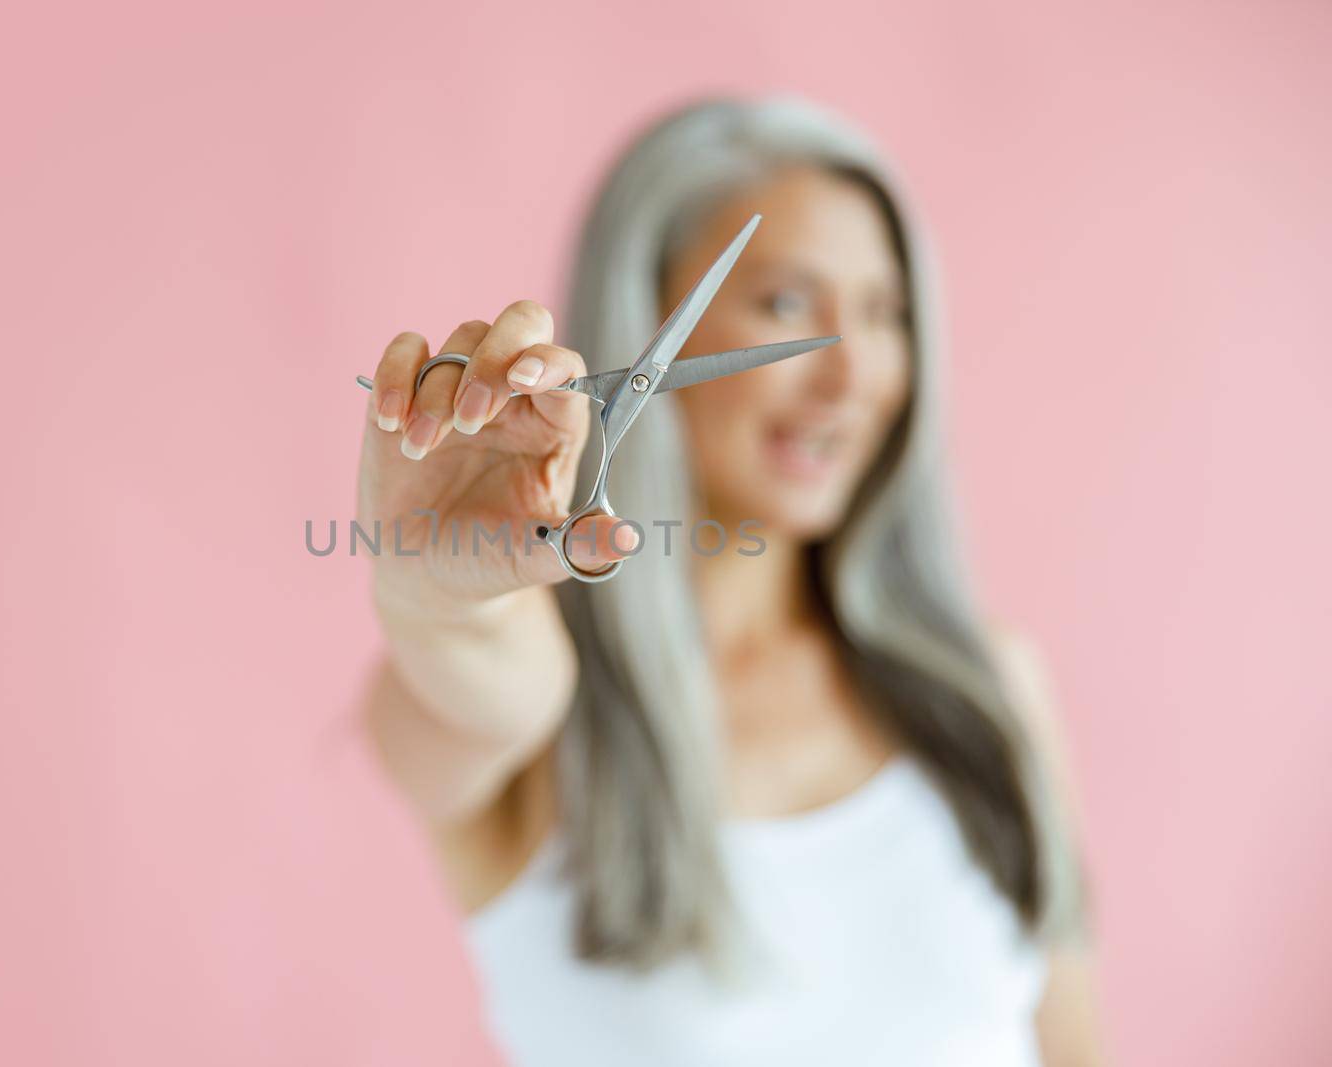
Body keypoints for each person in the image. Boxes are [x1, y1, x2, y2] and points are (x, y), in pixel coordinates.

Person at [354, 95, 1103, 1066]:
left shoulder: (989, 687)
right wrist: (434, 588)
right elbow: (470, 668)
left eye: (884, 313)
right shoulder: (542, 721)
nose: (852, 374)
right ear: (645, 315)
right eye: (787, 304)